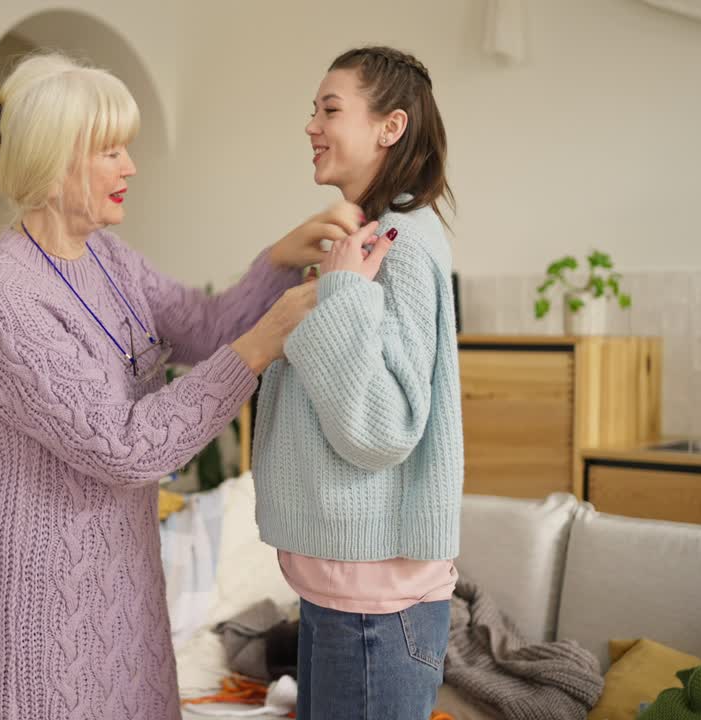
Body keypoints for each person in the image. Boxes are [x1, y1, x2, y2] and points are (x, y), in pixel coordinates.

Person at [0, 51, 362, 719]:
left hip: (122, 570)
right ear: (54, 163)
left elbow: (201, 326)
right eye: (109, 150)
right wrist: (261, 346)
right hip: (40, 587)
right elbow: (122, 446)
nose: (129, 167)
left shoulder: (108, 258)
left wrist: (280, 260)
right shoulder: (0, 297)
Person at [252, 45, 464, 720]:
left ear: (390, 126)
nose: (311, 125)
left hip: (375, 607)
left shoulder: (400, 242)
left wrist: (340, 290)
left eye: (330, 109)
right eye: (311, 111)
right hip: (345, 595)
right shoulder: (370, 236)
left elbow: (384, 426)